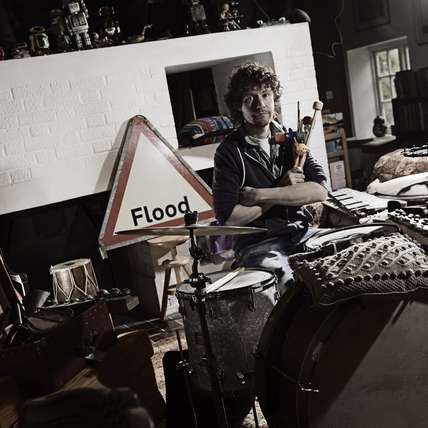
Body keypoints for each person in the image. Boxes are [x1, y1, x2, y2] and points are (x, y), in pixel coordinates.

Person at [212, 61, 328, 293]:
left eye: (265, 95)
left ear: (274, 97)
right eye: (250, 98)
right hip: (259, 243)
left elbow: (319, 190)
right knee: (290, 288)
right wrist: (286, 189)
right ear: (238, 106)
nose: (260, 104)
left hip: (301, 232)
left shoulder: (292, 139)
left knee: (339, 267)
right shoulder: (228, 152)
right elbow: (231, 219)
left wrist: (261, 195)